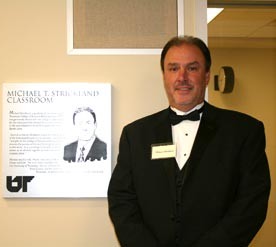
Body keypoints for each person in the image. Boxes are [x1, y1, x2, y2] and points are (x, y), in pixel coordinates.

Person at [107, 36, 270, 247]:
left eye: (192, 68)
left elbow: (251, 204)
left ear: (207, 76)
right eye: (173, 68)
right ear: (164, 76)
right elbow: (121, 200)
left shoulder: (244, 132)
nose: (182, 77)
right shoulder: (135, 135)